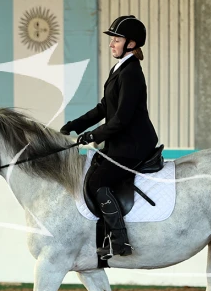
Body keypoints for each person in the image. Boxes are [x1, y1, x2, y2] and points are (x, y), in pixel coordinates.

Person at [60, 15, 160, 259]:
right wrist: (74, 125)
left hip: (133, 145)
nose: (111, 44)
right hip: (121, 142)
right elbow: (105, 107)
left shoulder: (131, 73)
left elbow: (121, 119)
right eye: (112, 39)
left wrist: (92, 135)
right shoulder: (119, 69)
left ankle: (119, 241)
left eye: (116, 40)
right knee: (93, 171)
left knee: (97, 182)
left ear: (131, 43)